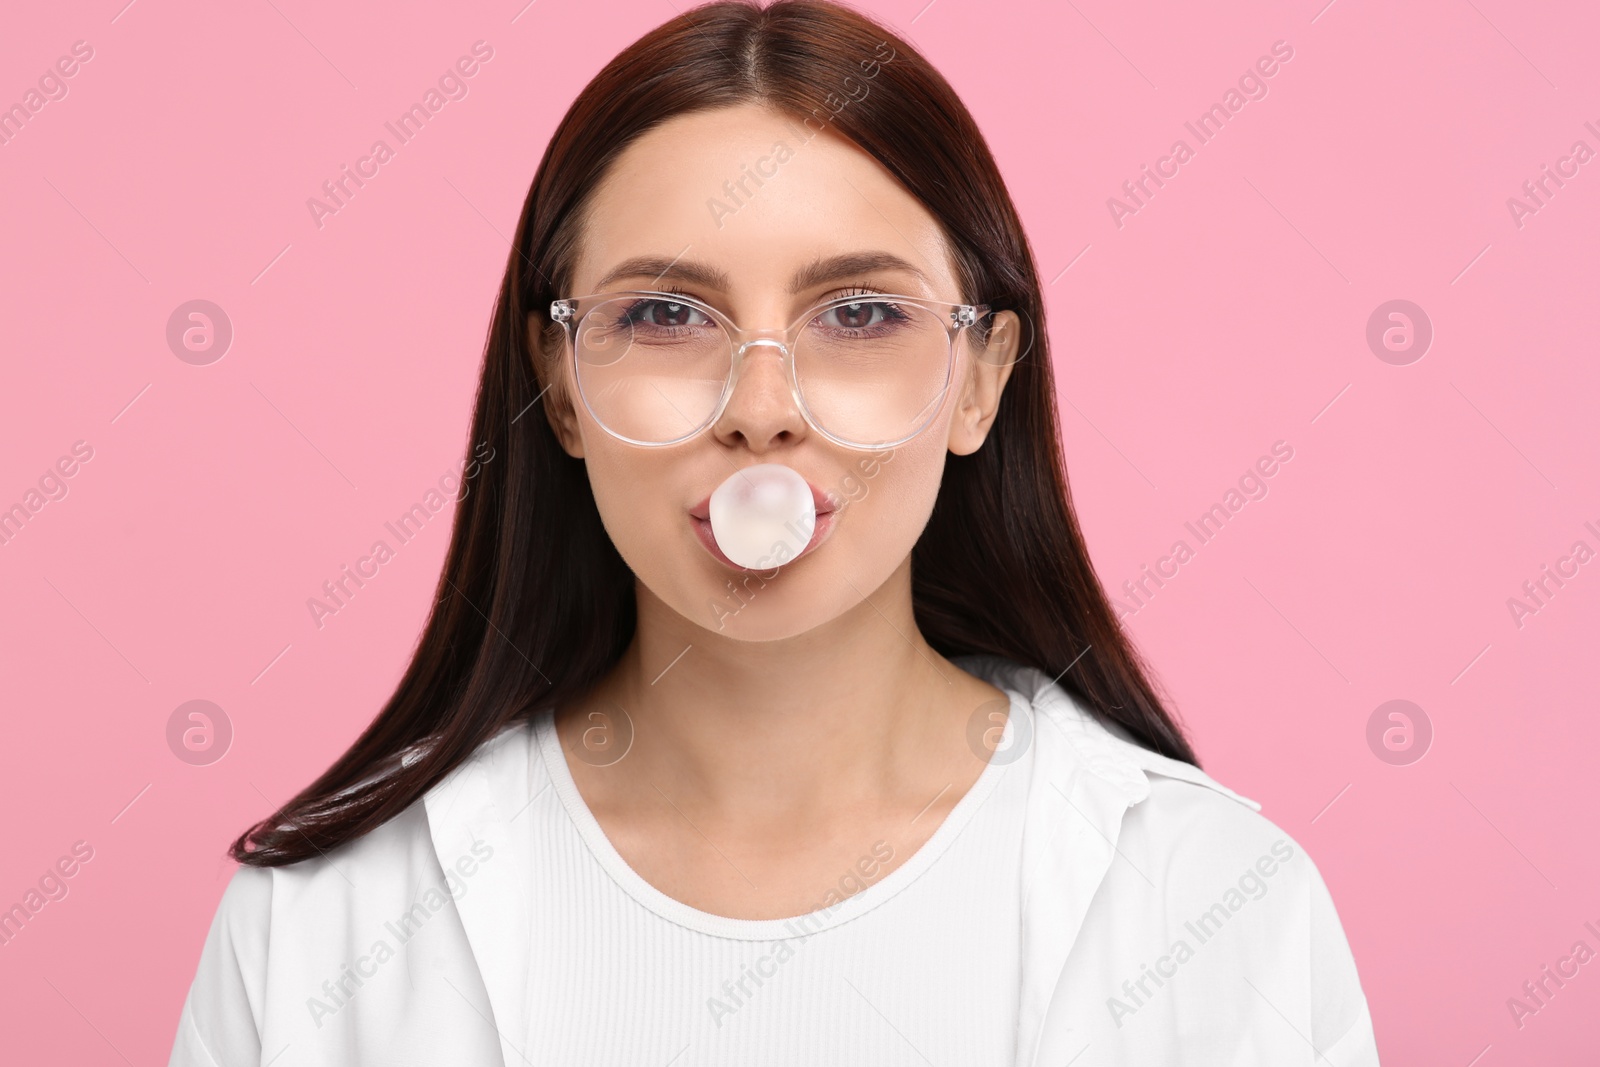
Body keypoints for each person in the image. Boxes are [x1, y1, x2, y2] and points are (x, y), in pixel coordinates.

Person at [168, 2, 1379, 1063]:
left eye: (856, 312)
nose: (760, 412)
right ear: (560, 379)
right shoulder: (323, 921)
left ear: (977, 379)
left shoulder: (1214, 905)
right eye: (662, 313)